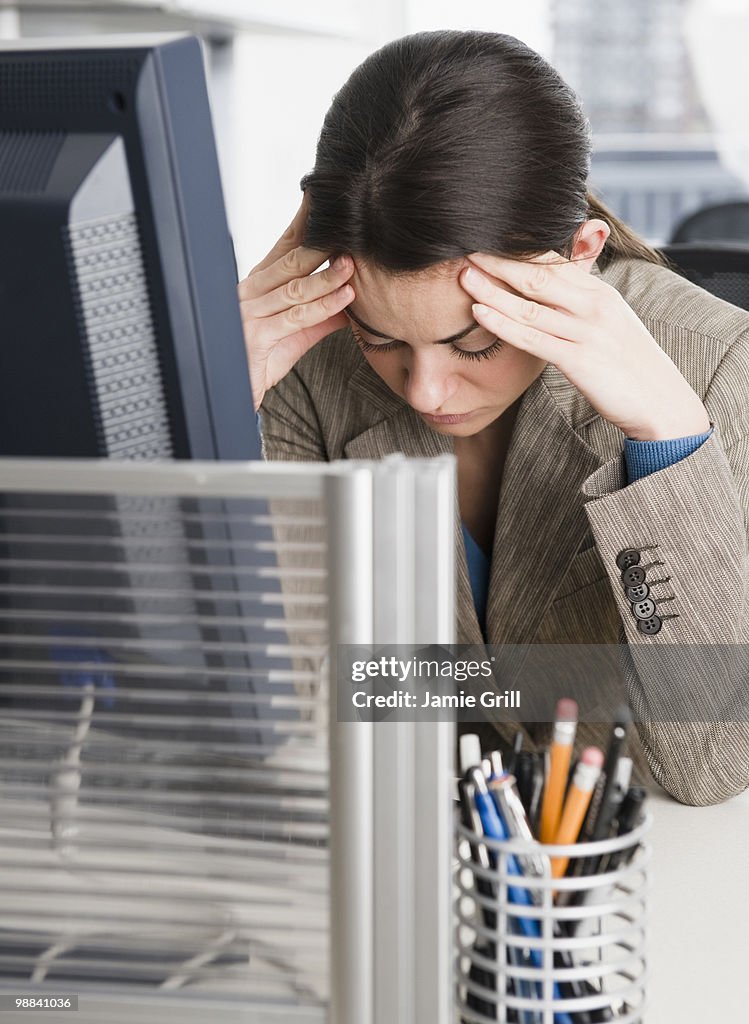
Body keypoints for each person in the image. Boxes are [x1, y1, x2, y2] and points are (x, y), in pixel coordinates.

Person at [237, 30, 749, 806]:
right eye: (382, 340)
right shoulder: (311, 365)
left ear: (578, 253)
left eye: (473, 343)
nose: (426, 392)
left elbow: (706, 760)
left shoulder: (713, 360)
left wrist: (668, 443)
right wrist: (209, 405)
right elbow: (280, 711)